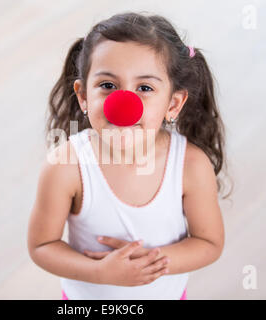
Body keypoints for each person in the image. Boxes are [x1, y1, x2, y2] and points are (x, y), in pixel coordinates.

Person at [28, 11, 231, 300]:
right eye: (107, 86)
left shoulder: (191, 165)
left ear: (173, 104)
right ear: (83, 96)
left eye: (145, 88)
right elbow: (42, 246)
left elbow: (208, 242)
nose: (124, 103)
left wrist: (146, 263)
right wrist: (100, 272)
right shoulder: (65, 166)